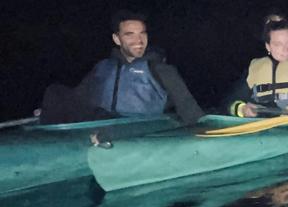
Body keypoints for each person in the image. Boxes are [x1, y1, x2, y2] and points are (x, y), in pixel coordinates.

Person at [37, 10, 205, 125]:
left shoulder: (161, 70)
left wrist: (204, 130)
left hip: (140, 129)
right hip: (101, 126)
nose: (139, 41)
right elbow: (79, 100)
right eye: (129, 35)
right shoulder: (102, 69)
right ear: (117, 39)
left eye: (142, 34)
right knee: (55, 92)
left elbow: (190, 110)